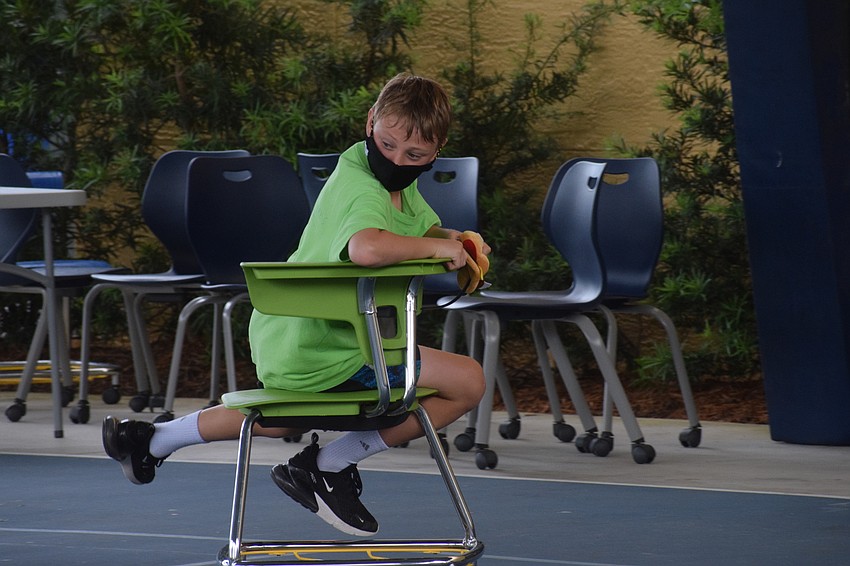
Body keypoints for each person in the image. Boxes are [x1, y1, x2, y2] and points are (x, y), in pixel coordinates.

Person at [103, 73, 487, 538]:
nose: (396, 160)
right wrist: (436, 251)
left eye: (414, 156)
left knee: (278, 417)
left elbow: (413, 232)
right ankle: (328, 465)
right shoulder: (364, 186)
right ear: (370, 122)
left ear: (435, 151)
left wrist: (456, 240)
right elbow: (367, 247)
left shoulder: (375, 174)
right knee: (467, 381)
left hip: (298, 335)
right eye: (387, 145)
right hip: (336, 346)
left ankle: (151, 438)